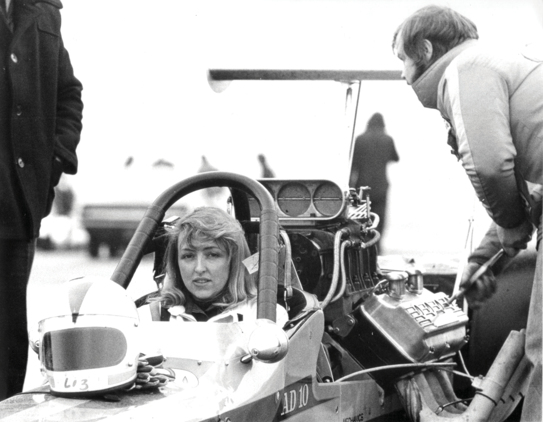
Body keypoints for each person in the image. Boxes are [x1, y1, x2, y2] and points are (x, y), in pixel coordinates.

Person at [392, 6, 541, 421]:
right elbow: (531, 191)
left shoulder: (465, 68)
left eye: (402, 60)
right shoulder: (500, 63)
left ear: (424, 49)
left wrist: (510, 226)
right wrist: (488, 254)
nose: (403, 74)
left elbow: (491, 165)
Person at [0, 0, 83, 400]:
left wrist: (53, 162)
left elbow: (68, 94)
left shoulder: (43, 11)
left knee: (7, 340)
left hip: (18, 208)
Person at [145, 207, 289, 325]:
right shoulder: (149, 317)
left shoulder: (265, 317)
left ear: (234, 262)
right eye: (188, 256)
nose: (199, 268)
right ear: (176, 264)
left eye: (212, 255)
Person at [349, 113, 399, 246]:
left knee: (361, 219)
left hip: (362, 187)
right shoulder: (387, 139)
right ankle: (376, 245)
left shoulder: (360, 139)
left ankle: (363, 246)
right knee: (379, 220)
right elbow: (395, 158)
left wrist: (349, 187)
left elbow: (353, 164)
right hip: (381, 187)